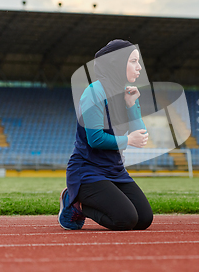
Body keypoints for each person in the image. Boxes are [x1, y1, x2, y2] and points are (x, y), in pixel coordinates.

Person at [58, 39, 153, 231]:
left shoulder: (126, 93)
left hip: (115, 170)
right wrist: (128, 140)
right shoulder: (94, 93)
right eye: (133, 61)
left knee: (144, 219)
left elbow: (140, 136)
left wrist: (132, 105)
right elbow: (95, 139)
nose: (139, 67)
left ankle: (86, 200)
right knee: (125, 220)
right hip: (87, 171)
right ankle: (75, 202)